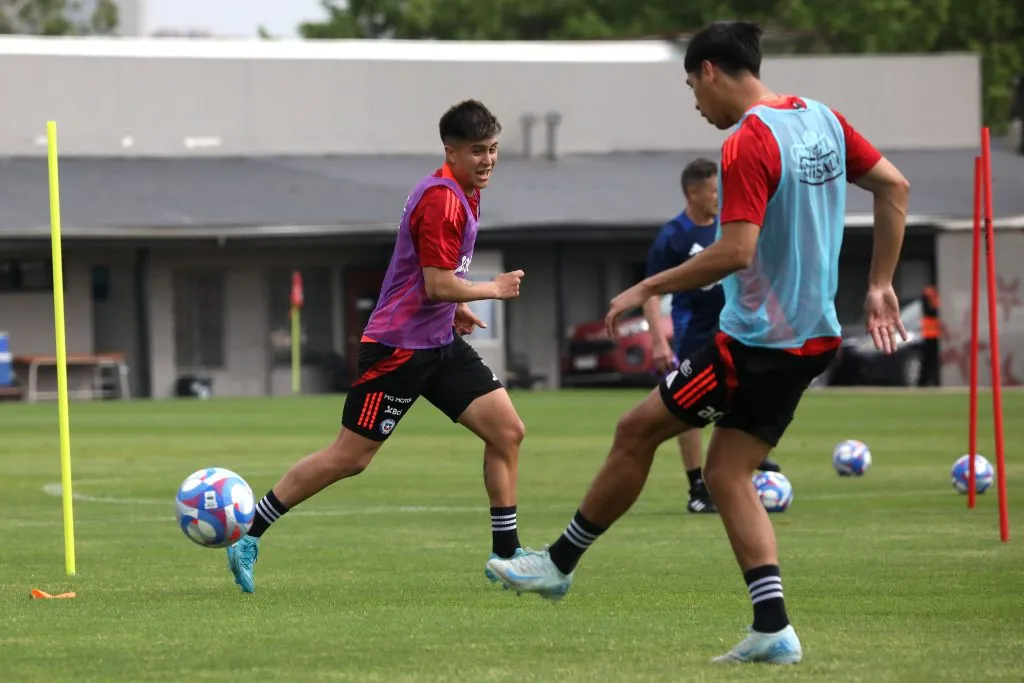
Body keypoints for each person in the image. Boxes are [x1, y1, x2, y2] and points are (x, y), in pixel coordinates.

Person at [487, 21, 910, 665]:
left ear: (711, 70)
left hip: (757, 344)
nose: (695, 104)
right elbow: (895, 187)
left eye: (692, 87)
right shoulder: (822, 118)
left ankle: (558, 563)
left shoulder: (747, 141)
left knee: (635, 432)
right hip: (813, 339)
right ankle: (773, 628)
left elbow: (735, 252)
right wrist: (878, 282)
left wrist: (642, 288)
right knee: (726, 471)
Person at [227, 100, 532, 593]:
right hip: (398, 349)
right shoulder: (443, 201)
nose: (489, 160)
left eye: (494, 149)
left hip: (438, 342)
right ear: (450, 152)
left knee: (507, 432)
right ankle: (249, 535)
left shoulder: (466, 192)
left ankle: (506, 556)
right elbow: (435, 283)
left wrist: (456, 308)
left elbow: (430, 278)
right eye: (478, 151)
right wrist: (487, 290)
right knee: (351, 457)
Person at [643, 157, 780, 515]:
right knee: (687, 410)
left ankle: (749, 460)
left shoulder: (727, 228)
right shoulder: (673, 236)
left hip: (736, 329)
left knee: (748, 392)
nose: (721, 197)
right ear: (693, 192)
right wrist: (659, 340)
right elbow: (651, 292)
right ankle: (697, 487)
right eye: (715, 191)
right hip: (694, 335)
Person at [919, 284, 941, 386]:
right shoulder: (930, 298)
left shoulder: (932, 298)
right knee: (929, 361)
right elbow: (932, 311)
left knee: (931, 361)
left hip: (933, 335)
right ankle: (925, 382)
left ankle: (928, 381)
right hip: (930, 335)